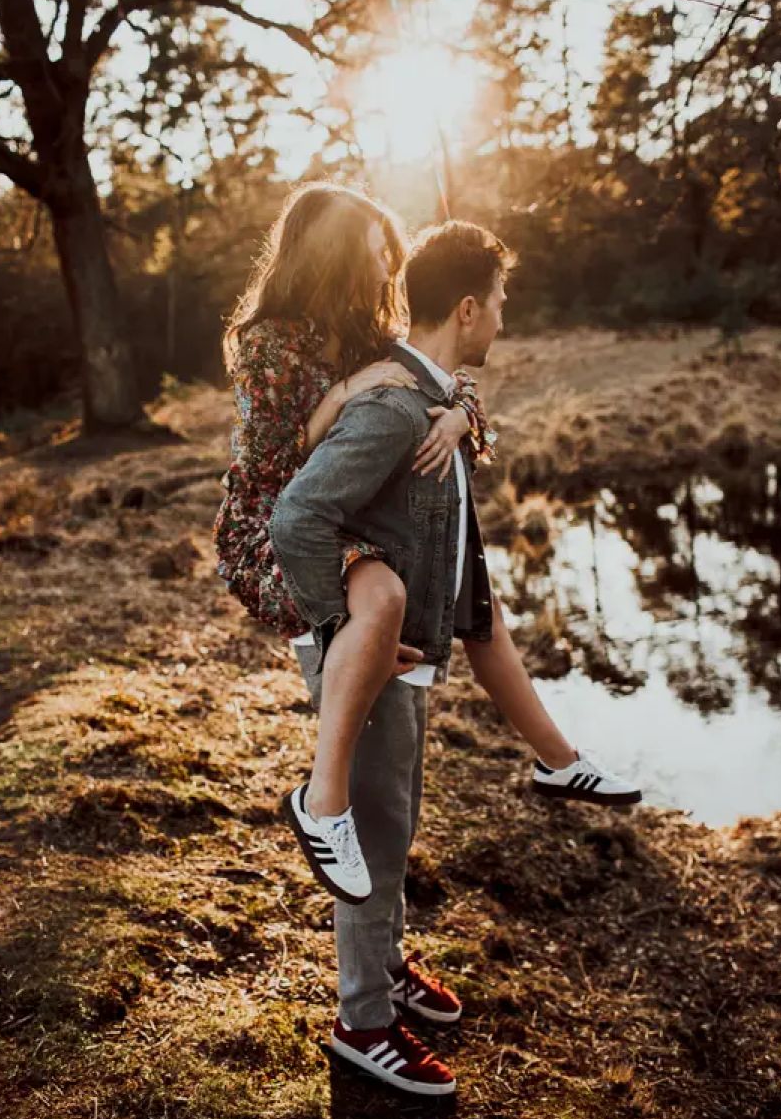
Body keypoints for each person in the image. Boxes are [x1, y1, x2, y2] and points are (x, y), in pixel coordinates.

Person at [269, 220, 642, 1096]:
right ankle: (363, 1021)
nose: (506, 320)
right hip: (368, 650)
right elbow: (296, 519)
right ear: (468, 308)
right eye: (502, 303)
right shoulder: (395, 407)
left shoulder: (432, 395)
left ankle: (386, 968)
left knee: (393, 822)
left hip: (405, 647)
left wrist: (460, 407)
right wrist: (338, 629)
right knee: (370, 829)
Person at [214, 182, 639, 909]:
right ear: (335, 255)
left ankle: (558, 759)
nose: (389, 274)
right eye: (378, 257)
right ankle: (322, 807)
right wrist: (346, 394)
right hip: (275, 526)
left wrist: (456, 418)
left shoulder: (363, 331)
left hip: (348, 520)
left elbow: (433, 376)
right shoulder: (270, 341)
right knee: (382, 600)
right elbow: (276, 468)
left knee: (477, 609)